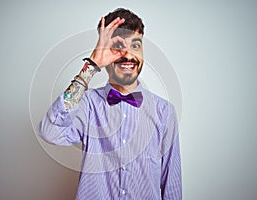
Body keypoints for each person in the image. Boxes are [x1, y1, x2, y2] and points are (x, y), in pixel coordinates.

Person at [37, 8, 182, 200]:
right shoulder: (87, 104)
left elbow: (171, 184)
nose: (128, 55)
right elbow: (50, 132)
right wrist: (92, 65)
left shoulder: (164, 112)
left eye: (135, 45)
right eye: (118, 46)